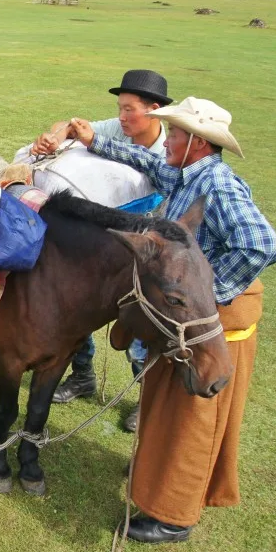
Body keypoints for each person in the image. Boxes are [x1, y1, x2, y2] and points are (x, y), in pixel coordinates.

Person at [69, 96, 276, 543]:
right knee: (165, 402)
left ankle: (175, 516)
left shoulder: (219, 185)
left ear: (198, 143)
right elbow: (147, 158)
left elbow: (262, 244)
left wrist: (207, 292)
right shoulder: (187, 171)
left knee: (191, 415)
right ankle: (154, 476)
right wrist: (93, 139)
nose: (167, 141)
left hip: (210, 316)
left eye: (176, 135)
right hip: (189, 313)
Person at [31, 69, 173, 432]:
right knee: (76, 311)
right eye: (120, 109)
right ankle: (82, 376)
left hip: (140, 254)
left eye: (130, 111)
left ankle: (146, 398)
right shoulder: (118, 126)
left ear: (154, 111)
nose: (122, 117)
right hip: (101, 243)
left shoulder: (167, 155)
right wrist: (54, 136)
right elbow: (74, 124)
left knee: (140, 331)